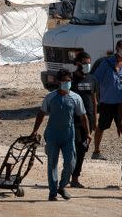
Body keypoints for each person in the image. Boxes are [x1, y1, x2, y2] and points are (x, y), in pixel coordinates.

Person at [31, 69, 91, 201]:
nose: (66, 83)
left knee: (70, 162)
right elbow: (41, 114)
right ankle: (52, 191)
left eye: (68, 81)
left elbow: (83, 116)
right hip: (52, 134)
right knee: (52, 163)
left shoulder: (76, 98)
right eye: (64, 81)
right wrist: (35, 130)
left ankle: (62, 186)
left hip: (69, 135)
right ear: (59, 82)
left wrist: (88, 133)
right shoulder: (50, 97)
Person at [92, 40, 122, 160]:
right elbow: (96, 80)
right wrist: (95, 98)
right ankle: (96, 151)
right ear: (117, 48)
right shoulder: (106, 63)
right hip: (108, 102)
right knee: (102, 127)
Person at [69, 51, 98, 188]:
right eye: (85, 63)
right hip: (74, 120)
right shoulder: (71, 79)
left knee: (83, 149)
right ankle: (70, 175)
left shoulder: (92, 79)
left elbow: (94, 100)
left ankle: (75, 177)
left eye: (89, 63)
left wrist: (95, 120)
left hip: (89, 120)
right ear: (78, 63)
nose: (87, 65)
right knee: (75, 148)